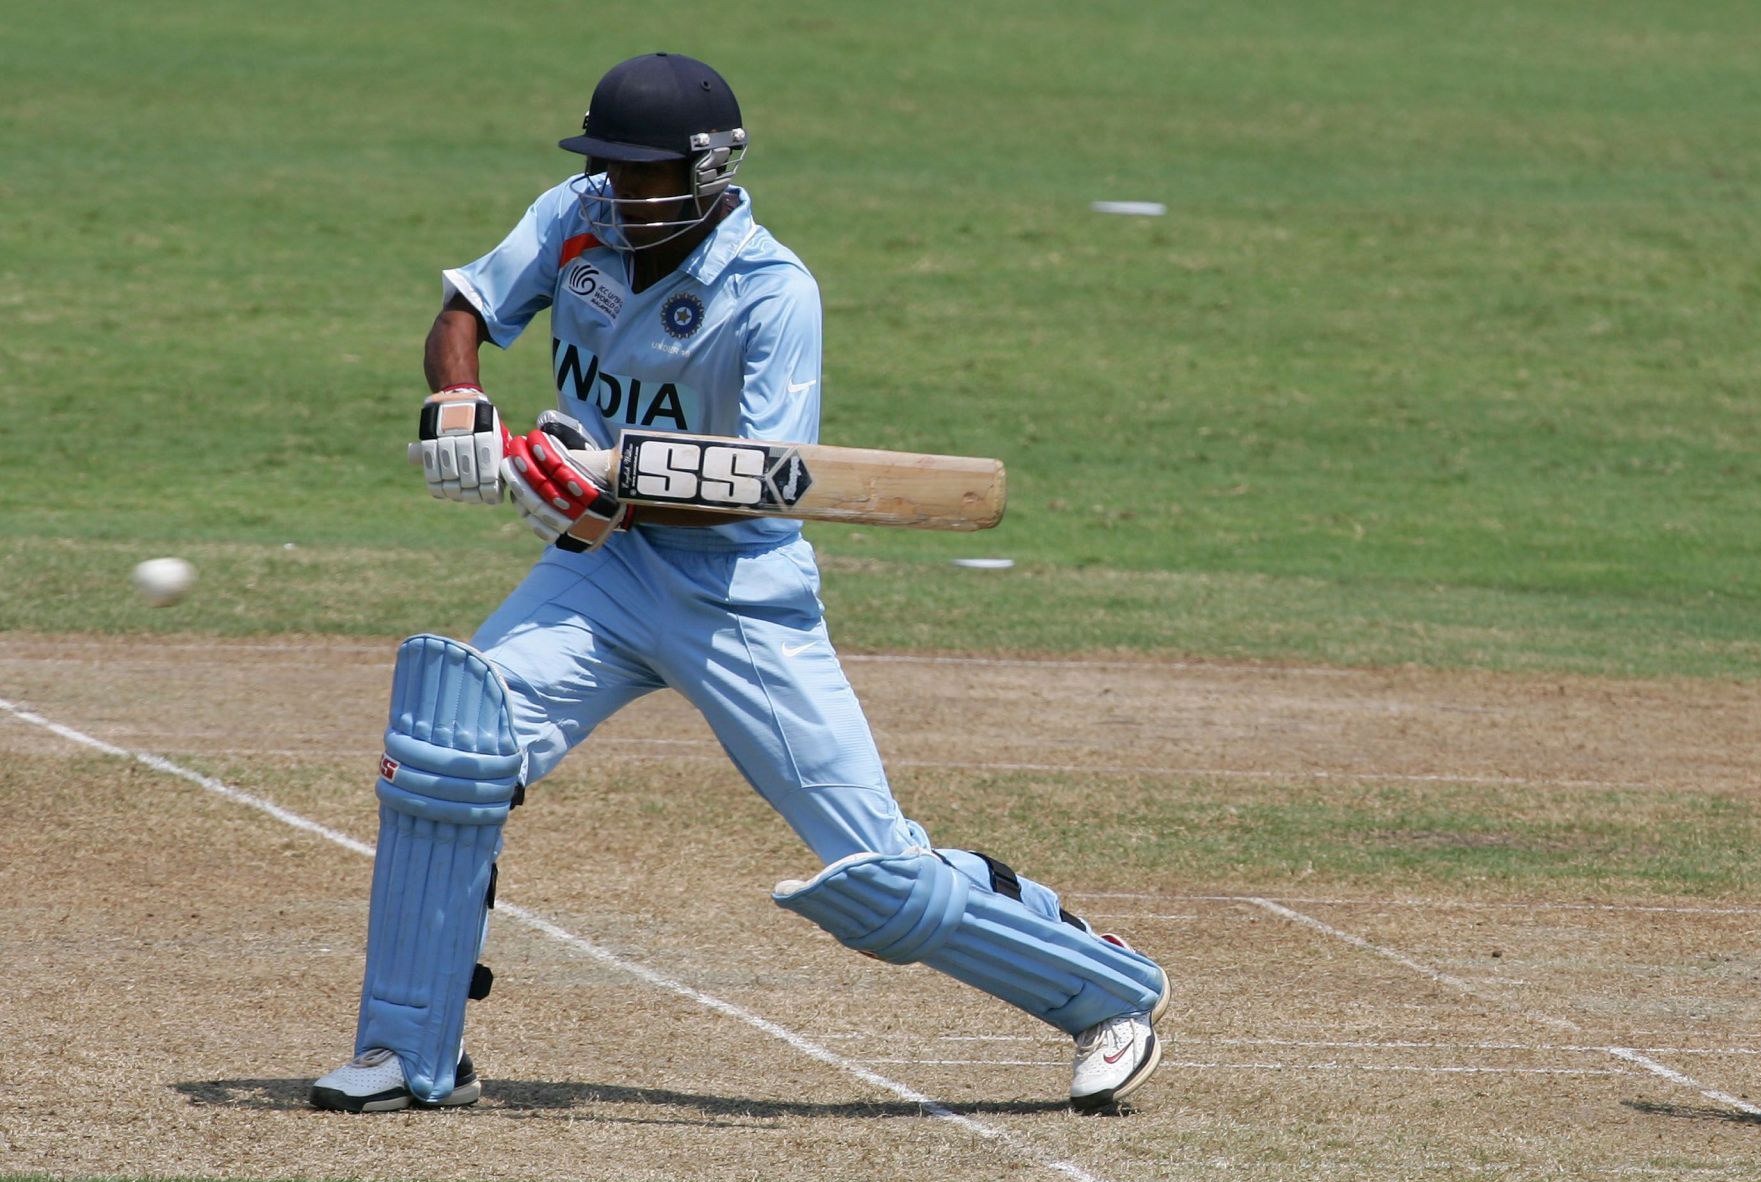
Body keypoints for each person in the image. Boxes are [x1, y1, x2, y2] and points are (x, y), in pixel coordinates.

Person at [309, 52, 1169, 1118]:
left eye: (645, 174)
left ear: (712, 169)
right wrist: (460, 403)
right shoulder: (578, 216)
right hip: (601, 574)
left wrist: (608, 485)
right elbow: (466, 309)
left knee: (880, 873)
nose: (623, 194)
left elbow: (768, 484)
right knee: (454, 751)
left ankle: (1108, 989)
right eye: (610, 170)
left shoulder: (771, 291)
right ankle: (410, 1048)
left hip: (738, 591)